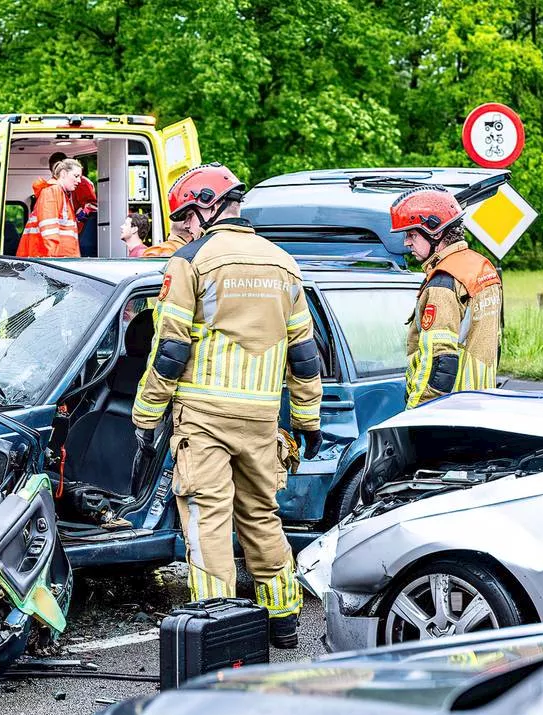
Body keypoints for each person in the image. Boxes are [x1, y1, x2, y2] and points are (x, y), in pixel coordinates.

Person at [130, 163, 323, 649]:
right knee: (261, 513)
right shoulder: (284, 263)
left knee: (207, 518)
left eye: (186, 218)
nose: (185, 229)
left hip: (204, 417)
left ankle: (213, 628)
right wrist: (307, 417)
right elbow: (304, 353)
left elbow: (170, 349)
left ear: (207, 207)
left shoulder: (190, 262)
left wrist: (146, 413)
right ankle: (284, 621)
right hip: (261, 418)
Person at [391, 186, 502, 408]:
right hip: (480, 404)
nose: (406, 242)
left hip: (448, 409)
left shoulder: (444, 281)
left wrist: (416, 414)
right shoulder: (482, 268)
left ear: (436, 231)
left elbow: (439, 362)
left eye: (412, 234)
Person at [17, 158, 83, 258]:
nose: (79, 181)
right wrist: (51, 260)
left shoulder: (60, 193)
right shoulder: (52, 191)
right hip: (49, 258)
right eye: (76, 176)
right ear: (64, 174)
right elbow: (49, 230)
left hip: (59, 258)